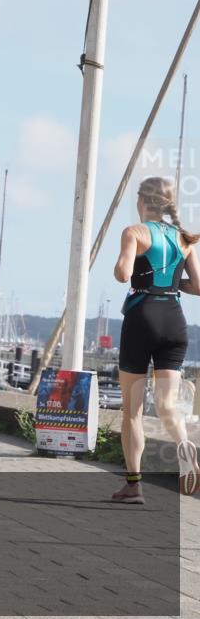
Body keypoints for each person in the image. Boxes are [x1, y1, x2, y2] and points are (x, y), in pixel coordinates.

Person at [111, 176, 200, 502]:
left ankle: (134, 485)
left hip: (142, 317)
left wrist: (126, 264)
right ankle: (183, 447)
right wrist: (171, 282)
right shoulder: (184, 238)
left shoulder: (135, 232)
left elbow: (123, 274)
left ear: (142, 200)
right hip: (174, 321)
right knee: (165, 404)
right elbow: (198, 285)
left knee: (132, 411)